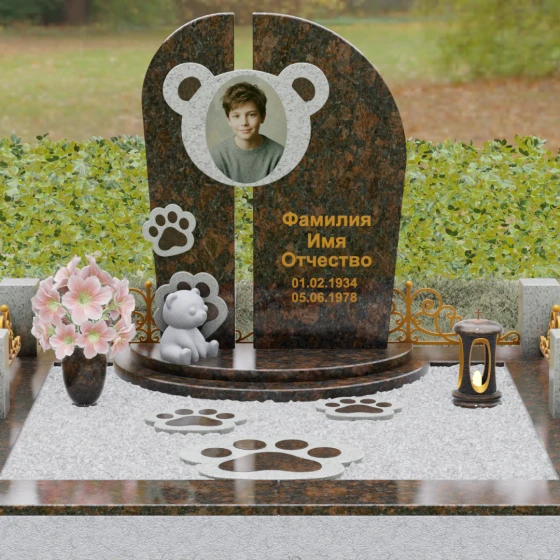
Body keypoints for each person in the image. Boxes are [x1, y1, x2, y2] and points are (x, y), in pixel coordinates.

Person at [210, 82, 284, 183]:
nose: (244, 122)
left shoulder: (279, 155)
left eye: (251, 115)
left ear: (262, 117)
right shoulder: (218, 155)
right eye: (236, 116)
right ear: (228, 120)